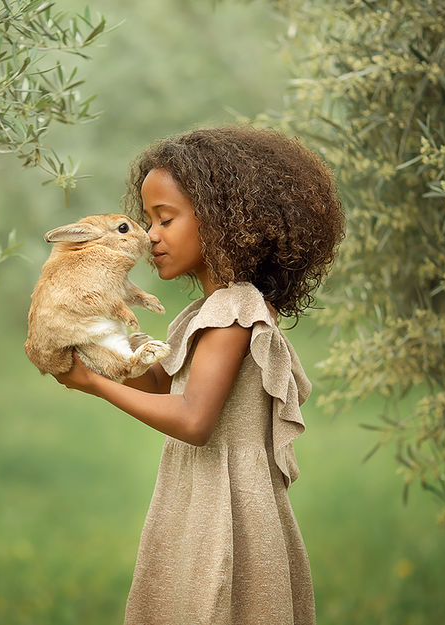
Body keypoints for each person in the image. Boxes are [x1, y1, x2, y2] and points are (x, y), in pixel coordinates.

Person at [53, 126, 344, 625]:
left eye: (165, 219)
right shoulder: (205, 312)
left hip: (225, 508)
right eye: (147, 221)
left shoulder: (233, 309)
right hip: (204, 496)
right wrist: (98, 343)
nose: (150, 236)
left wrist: (96, 386)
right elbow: (167, 387)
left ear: (221, 221)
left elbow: (193, 419)